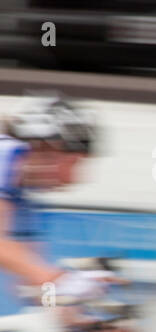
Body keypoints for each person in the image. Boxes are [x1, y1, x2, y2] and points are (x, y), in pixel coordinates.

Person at [0, 94, 112, 303]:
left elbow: (29, 282)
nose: (73, 178)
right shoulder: (3, 152)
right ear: (45, 148)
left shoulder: (20, 195)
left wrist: (84, 321)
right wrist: (56, 279)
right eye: (72, 163)